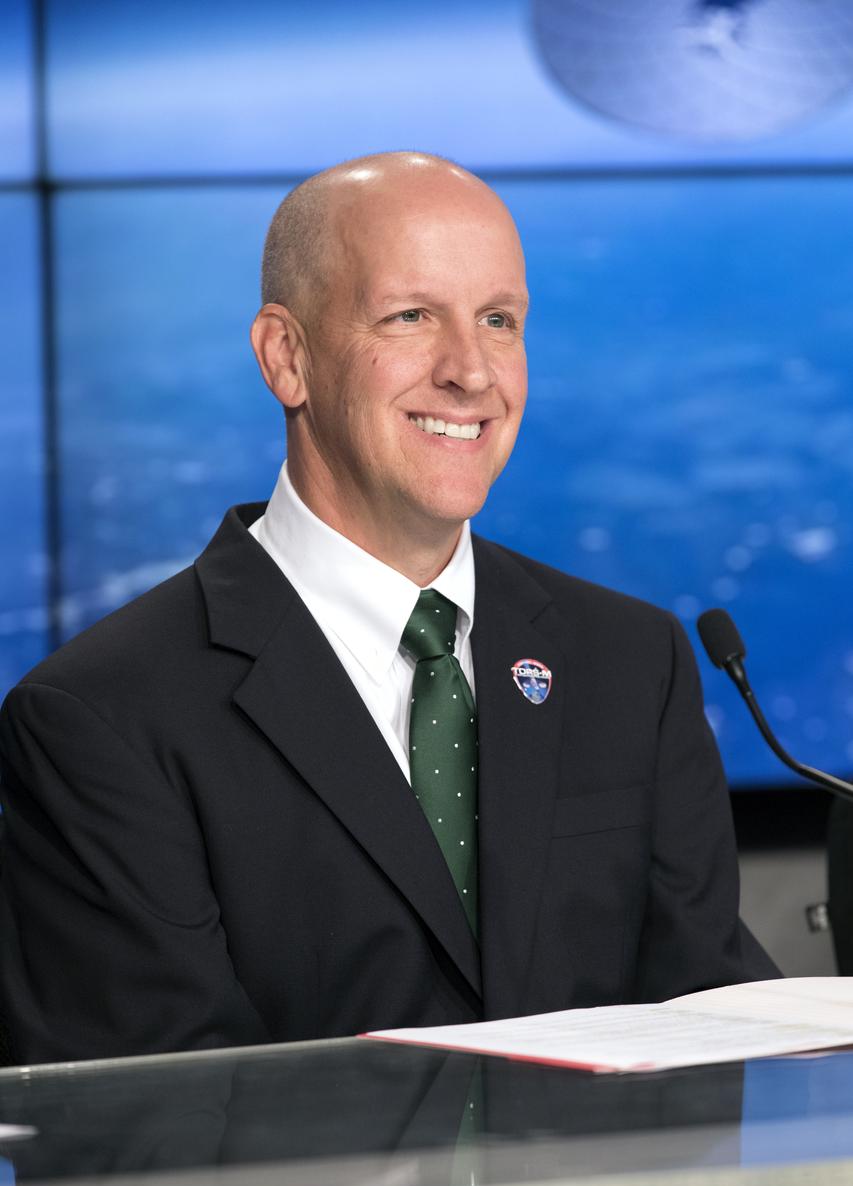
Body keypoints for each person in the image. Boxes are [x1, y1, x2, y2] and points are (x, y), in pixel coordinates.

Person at [0, 153, 778, 1066]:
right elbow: (149, 1127)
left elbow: (710, 1035)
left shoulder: (629, 661)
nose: (470, 373)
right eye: (411, 318)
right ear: (286, 358)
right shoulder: (102, 718)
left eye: (499, 321)